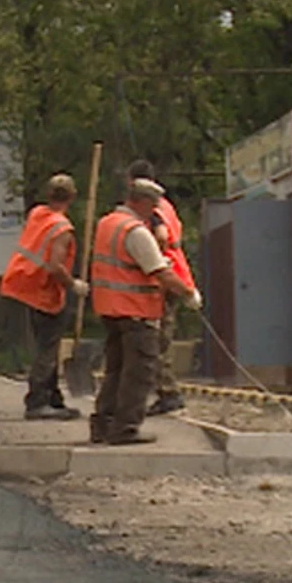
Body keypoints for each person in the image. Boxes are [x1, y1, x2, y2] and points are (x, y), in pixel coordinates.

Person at [88, 178, 199, 446]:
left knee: (115, 370)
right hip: (135, 312)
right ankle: (125, 429)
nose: (155, 212)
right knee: (138, 373)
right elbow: (159, 271)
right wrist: (187, 294)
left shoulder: (107, 223)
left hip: (110, 309)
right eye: (153, 206)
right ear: (142, 202)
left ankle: (103, 424)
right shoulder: (135, 232)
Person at [0, 174, 91, 420]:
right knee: (47, 348)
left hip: (24, 283)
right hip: (43, 290)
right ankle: (38, 401)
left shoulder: (38, 214)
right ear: (72, 197)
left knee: (46, 343)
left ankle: (53, 398)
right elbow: (55, 266)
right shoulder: (62, 228)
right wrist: (74, 285)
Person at [126, 160, 202, 415]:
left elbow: (160, 236)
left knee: (159, 338)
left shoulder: (154, 210)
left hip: (167, 277)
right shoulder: (167, 205)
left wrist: (151, 259)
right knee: (162, 336)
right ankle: (166, 390)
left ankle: (168, 392)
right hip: (176, 272)